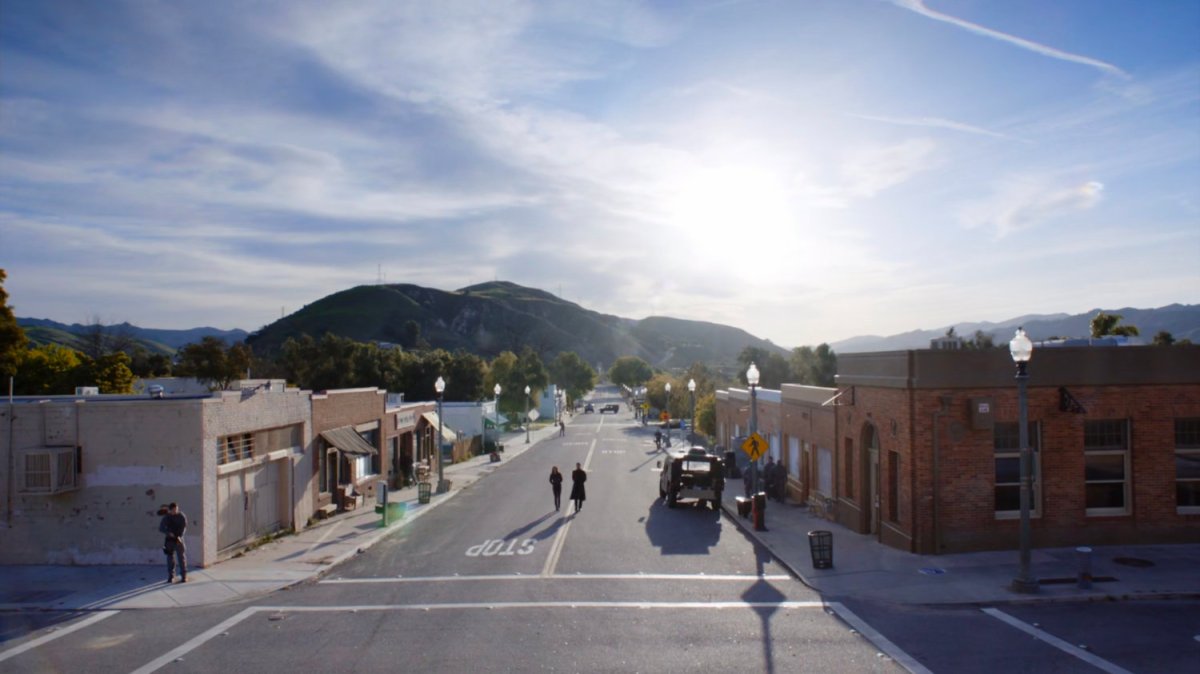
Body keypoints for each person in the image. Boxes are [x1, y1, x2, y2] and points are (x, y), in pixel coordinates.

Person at [159, 502, 187, 583]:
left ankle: (184, 576)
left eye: (176, 509)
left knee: (181, 558)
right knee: (170, 558)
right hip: (169, 540)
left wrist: (179, 536)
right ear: (170, 510)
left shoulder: (181, 516)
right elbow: (161, 528)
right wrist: (168, 533)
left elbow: (184, 528)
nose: (175, 511)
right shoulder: (167, 517)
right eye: (173, 510)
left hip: (178, 540)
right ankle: (171, 576)